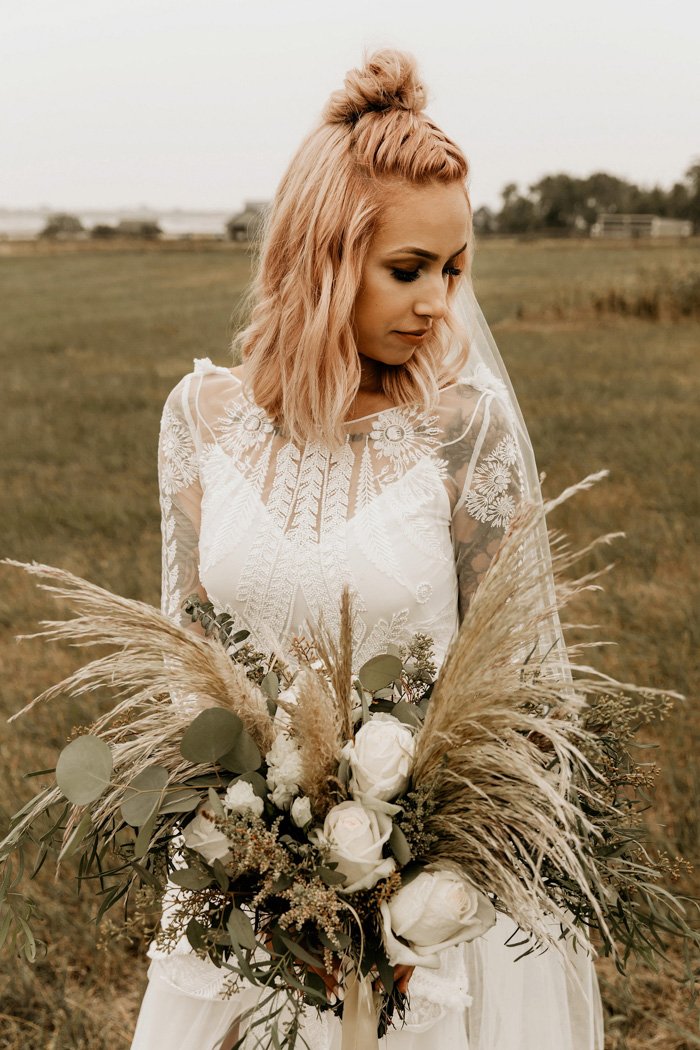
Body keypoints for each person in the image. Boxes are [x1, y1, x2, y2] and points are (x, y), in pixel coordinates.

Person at [131, 48, 604, 1050]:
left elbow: (520, 698)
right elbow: (188, 654)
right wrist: (238, 843)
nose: (439, 301)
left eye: (454, 269)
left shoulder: (462, 434)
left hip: (419, 912)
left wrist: (414, 869)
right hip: (239, 887)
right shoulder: (201, 418)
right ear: (320, 257)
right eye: (408, 270)